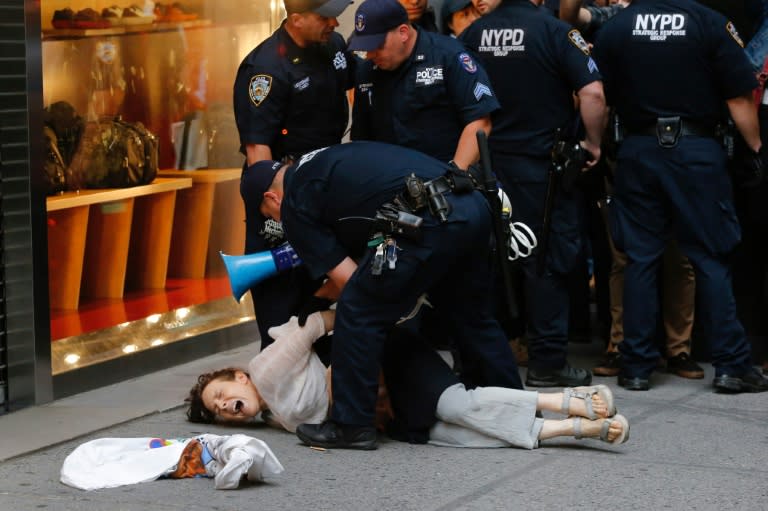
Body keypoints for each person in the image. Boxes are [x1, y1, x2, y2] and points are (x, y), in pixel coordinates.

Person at [246, 141, 532, 449]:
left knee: (357, 309)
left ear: (271, 197)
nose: (277, 221)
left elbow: (350, 281)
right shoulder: (323, 159)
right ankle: (519, 407)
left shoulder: (295, 202)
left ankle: (351, 424)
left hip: (426, 217)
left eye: (269, 214)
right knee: (471, 315)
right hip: (470, 205)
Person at [592, 0, 768, 392]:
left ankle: (636, 367)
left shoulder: (618, 27)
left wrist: (594, 146)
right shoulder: (709, 23)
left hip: (638, 150)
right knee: (709, 255)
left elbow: (598, 96)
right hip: (695, 153)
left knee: (640, 258)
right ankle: (731, 365)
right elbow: (739, 98)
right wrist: (755, 149)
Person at [186, 310, 630, 449]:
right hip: (379, 403)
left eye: (223, 393)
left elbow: (316, 324)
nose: (225, 405)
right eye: (219, 411)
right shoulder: (274, 419)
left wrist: (369, 315)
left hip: (385, 360)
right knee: (456, 437)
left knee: (459, 407)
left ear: (240, 375)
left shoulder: (264, 368)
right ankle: (577, 428)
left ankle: (569, 401)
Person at [460, 0, 607, 387]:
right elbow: (592, 93)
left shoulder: (475, 33)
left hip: (487, 166)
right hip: (540, 167)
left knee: (490, 260)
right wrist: (593, 143)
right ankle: (547, 361)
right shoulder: (556, 32)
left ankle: (482, 362)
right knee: (545, 260)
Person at [232, 0, 354, 350]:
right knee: (282, 299)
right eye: (324, 16)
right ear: (296, 19)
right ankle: (279, 389)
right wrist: (284, 209)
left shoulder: (333, 46)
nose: (334, 22)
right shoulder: (266, 67)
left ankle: (324, 388)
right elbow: (258, 152)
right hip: (280, 188)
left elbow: (355, 89)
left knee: (322, 289)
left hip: (326, 180)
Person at [349, 0, 499, 169]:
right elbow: (362, 136)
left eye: (377, 46)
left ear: (403, 33)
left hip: (443, 175)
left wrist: (455, 175)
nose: (370, 54)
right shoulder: (367, 69)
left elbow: (479, 122)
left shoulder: (448, 56)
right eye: (365, 47)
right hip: (388, 179)